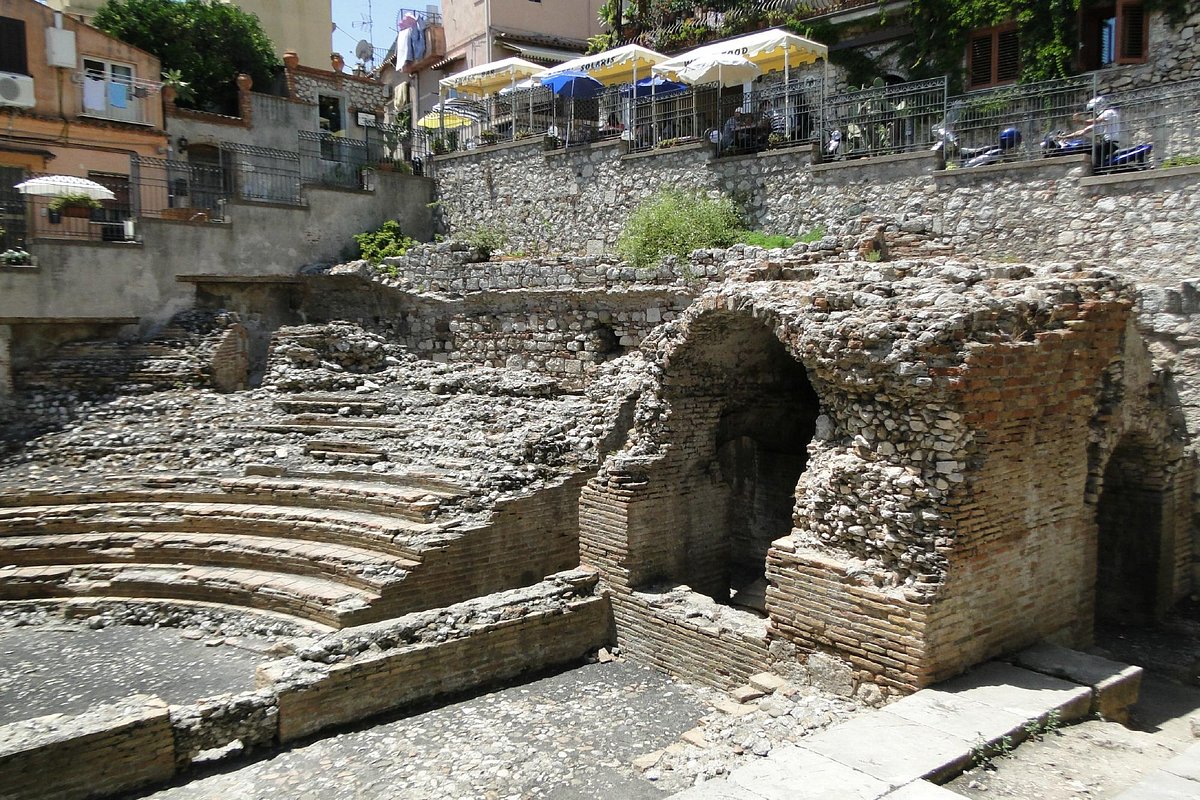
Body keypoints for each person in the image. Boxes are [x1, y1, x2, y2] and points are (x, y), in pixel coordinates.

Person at [1069, 96, 1121, 168]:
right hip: (1108, 142)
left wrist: (1080, 121)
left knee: (1096, 149)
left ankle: (1099, 169)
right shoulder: (1103, 121)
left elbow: (1096, 121)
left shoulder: (1108, 113)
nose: (1093, 113)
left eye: (1093, 110)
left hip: (1112, 143)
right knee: (1089, 147)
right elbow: (1082, 132)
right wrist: (1064, 137)